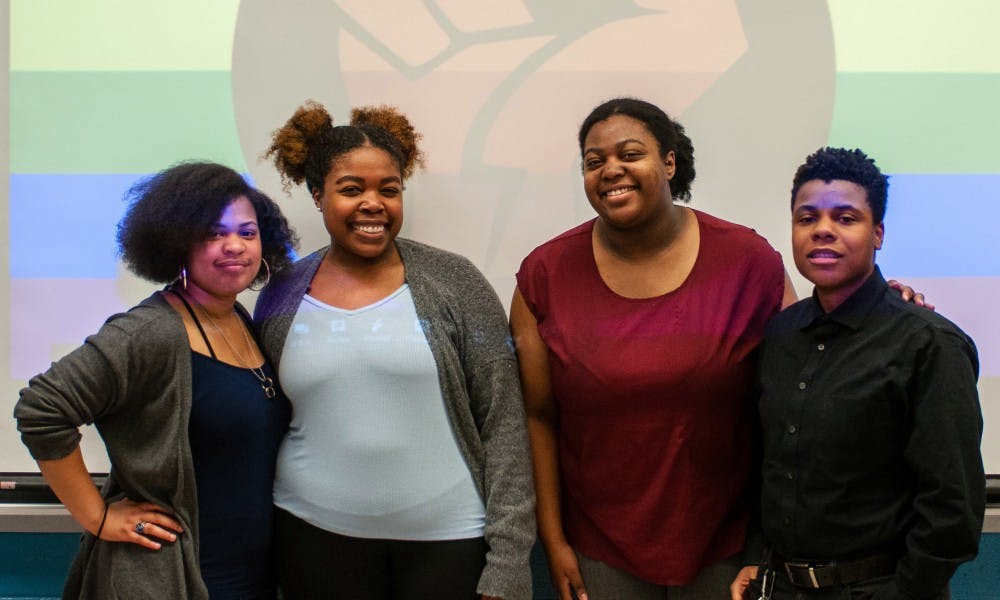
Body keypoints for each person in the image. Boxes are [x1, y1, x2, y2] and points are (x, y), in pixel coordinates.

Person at [509, 97, 798, 600]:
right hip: (599, 546)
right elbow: (538, 415)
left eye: (629, 154)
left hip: (726, 541)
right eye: (594, 162)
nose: (610, 170)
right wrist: (553, 540)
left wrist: (886, 305)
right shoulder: (545, 274)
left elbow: (804, 381)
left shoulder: (748, 263)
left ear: (669, 162)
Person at [256, 101, 535, 600]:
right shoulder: (281, 294)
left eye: (389, 189)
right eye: (351, 189)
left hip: (448, 540)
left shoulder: (456, 282)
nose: (373, 203)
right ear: (317, 195)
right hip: (312, 536)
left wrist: (509, 561)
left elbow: (505, 422)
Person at [14, 162, 297, 599]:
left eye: (246, 232)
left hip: (252, 575)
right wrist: (99, 518)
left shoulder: (240, 318)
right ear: (176, 243)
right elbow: (41, 409)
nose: (234, 246)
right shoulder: (151, 331)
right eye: (212, 233)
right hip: (177, 579)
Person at [730, 147, 984, 600]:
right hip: (780, 587)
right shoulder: (782, 334)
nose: (823, 231)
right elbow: (768, 465)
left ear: (878, 233)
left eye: (846, 218)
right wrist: (757, 555)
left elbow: (953, 507)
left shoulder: (928, 344)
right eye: (807, 219)